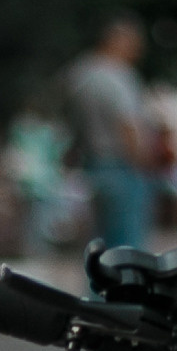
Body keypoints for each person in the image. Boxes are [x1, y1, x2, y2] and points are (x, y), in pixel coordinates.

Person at [66, 15, 154, 249]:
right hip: (122, 165)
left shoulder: (80, 73)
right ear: (118, 40)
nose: (138, 51)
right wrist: (142, 161)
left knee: (98, 245)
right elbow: (127, 123)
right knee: (128, 245)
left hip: (92, 164)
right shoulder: (118, 76)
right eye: (134, 43)